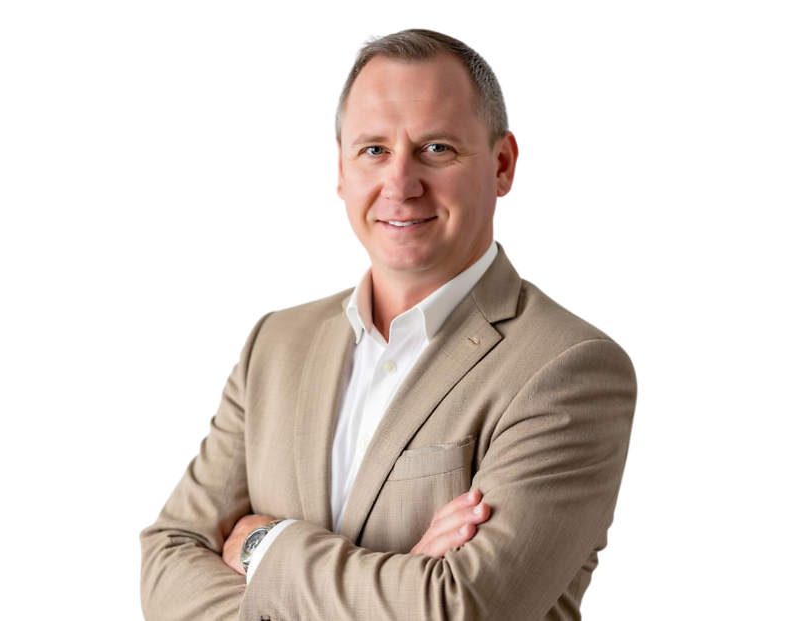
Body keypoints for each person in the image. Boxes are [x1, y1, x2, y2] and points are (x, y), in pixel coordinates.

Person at [138, 28, 639, 620]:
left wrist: (261, 545)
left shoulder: (571, 366)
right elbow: (164, 561)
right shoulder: (274, 342)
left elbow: (461, 609)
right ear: (340, 171)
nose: (400, 185)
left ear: (503, 165)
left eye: (436, 149)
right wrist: (403, 579)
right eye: (374, 150)